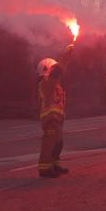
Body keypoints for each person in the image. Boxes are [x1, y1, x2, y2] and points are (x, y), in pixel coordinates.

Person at [37, 44, 75, 178]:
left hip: (57, 118)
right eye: (53, 70)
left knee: (58, 142)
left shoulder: (53, 83)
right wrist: (68, 53)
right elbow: (59, 69)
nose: (59, 74)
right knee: (50, 141)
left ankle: (54, 164)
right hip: (50, 119)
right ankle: (45, 169)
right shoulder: (47, 82)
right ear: (48, 70)